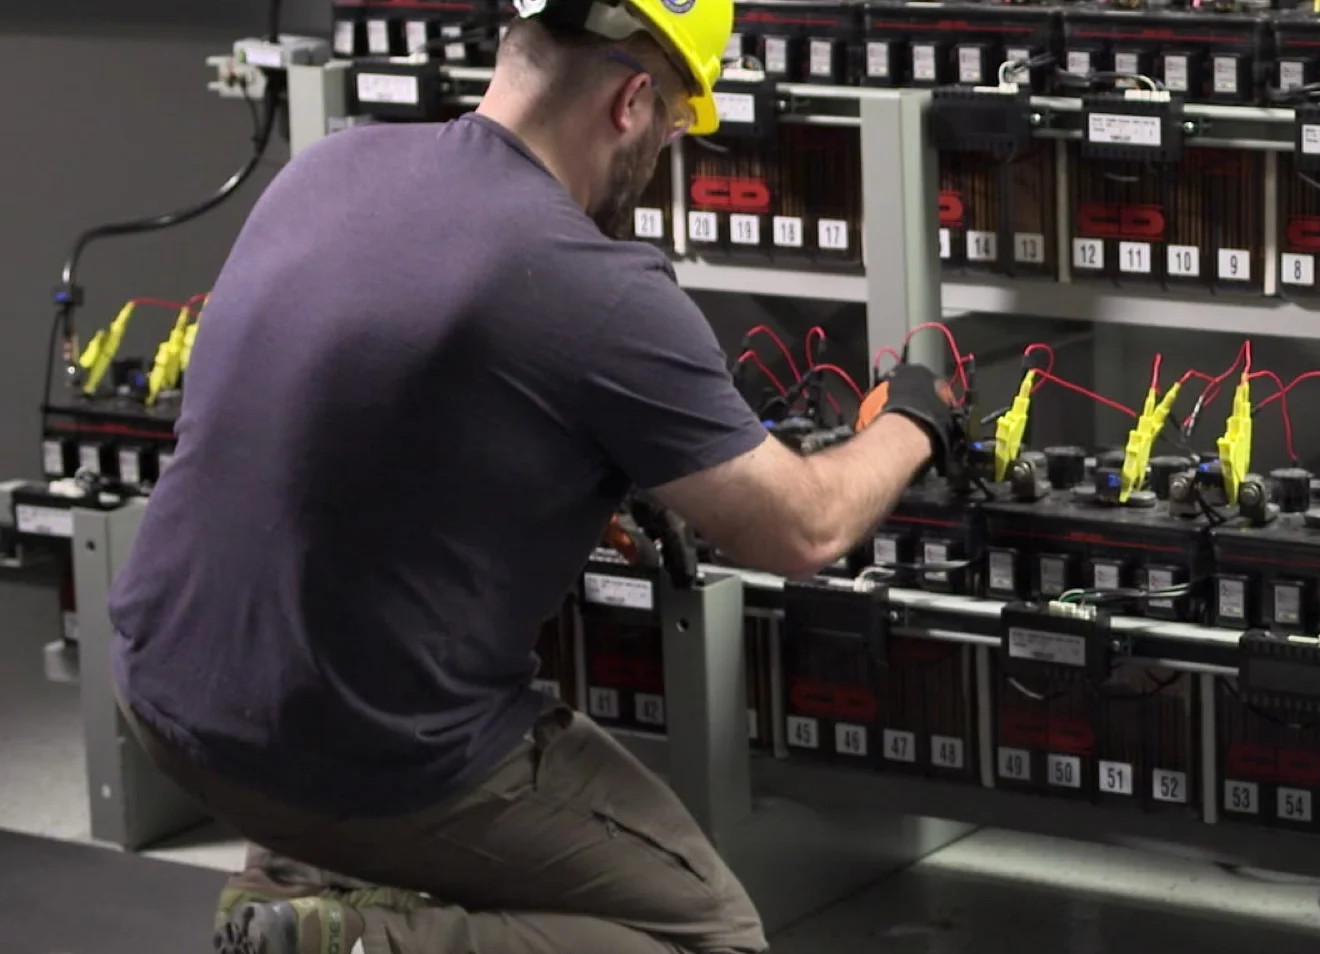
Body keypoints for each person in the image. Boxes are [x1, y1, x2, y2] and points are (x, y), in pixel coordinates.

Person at [104, 2, 959, 952]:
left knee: (339, 725)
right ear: (634, 101)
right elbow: (802, 529)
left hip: (166, 696)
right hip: (360, 750)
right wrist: (915, 416)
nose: (666, 148)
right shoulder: (594, 285)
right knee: (709, 937)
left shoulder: (332, 167)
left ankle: (287, 890)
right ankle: (353, 942)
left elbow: (348, 433)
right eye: (677, 123)